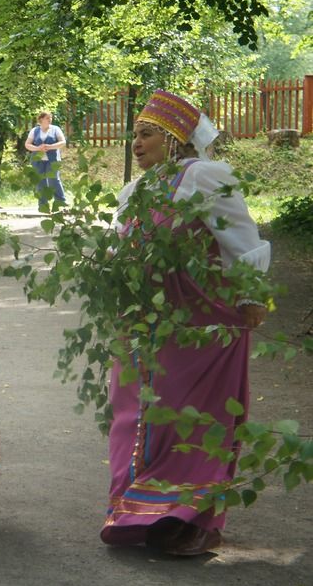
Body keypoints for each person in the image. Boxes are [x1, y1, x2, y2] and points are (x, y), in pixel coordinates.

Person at [101, 89, 270, 555]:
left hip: (199, 323)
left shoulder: (207, 177)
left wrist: (252, 294)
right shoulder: (135, 191)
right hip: (141, 321)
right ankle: (137, 511)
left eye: (147, 133)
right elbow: (118, 249)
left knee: (190, 419)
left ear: (175, 138)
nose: (136, 142)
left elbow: (241, 238)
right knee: (133, 413)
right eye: (134, 133)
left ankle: (188, 519)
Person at [24, 111, 66, 205]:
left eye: (50, 118)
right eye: (47, 118)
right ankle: (43, 204)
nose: (50, 119)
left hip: (53, 160)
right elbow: (27, 144)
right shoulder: (34, 130)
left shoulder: (56, 129)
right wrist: (38, 148)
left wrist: (50, 146)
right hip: (38, 160)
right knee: (40, 182)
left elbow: (63, 142)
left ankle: (61, 202)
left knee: (54, 180)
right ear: (41, 119)